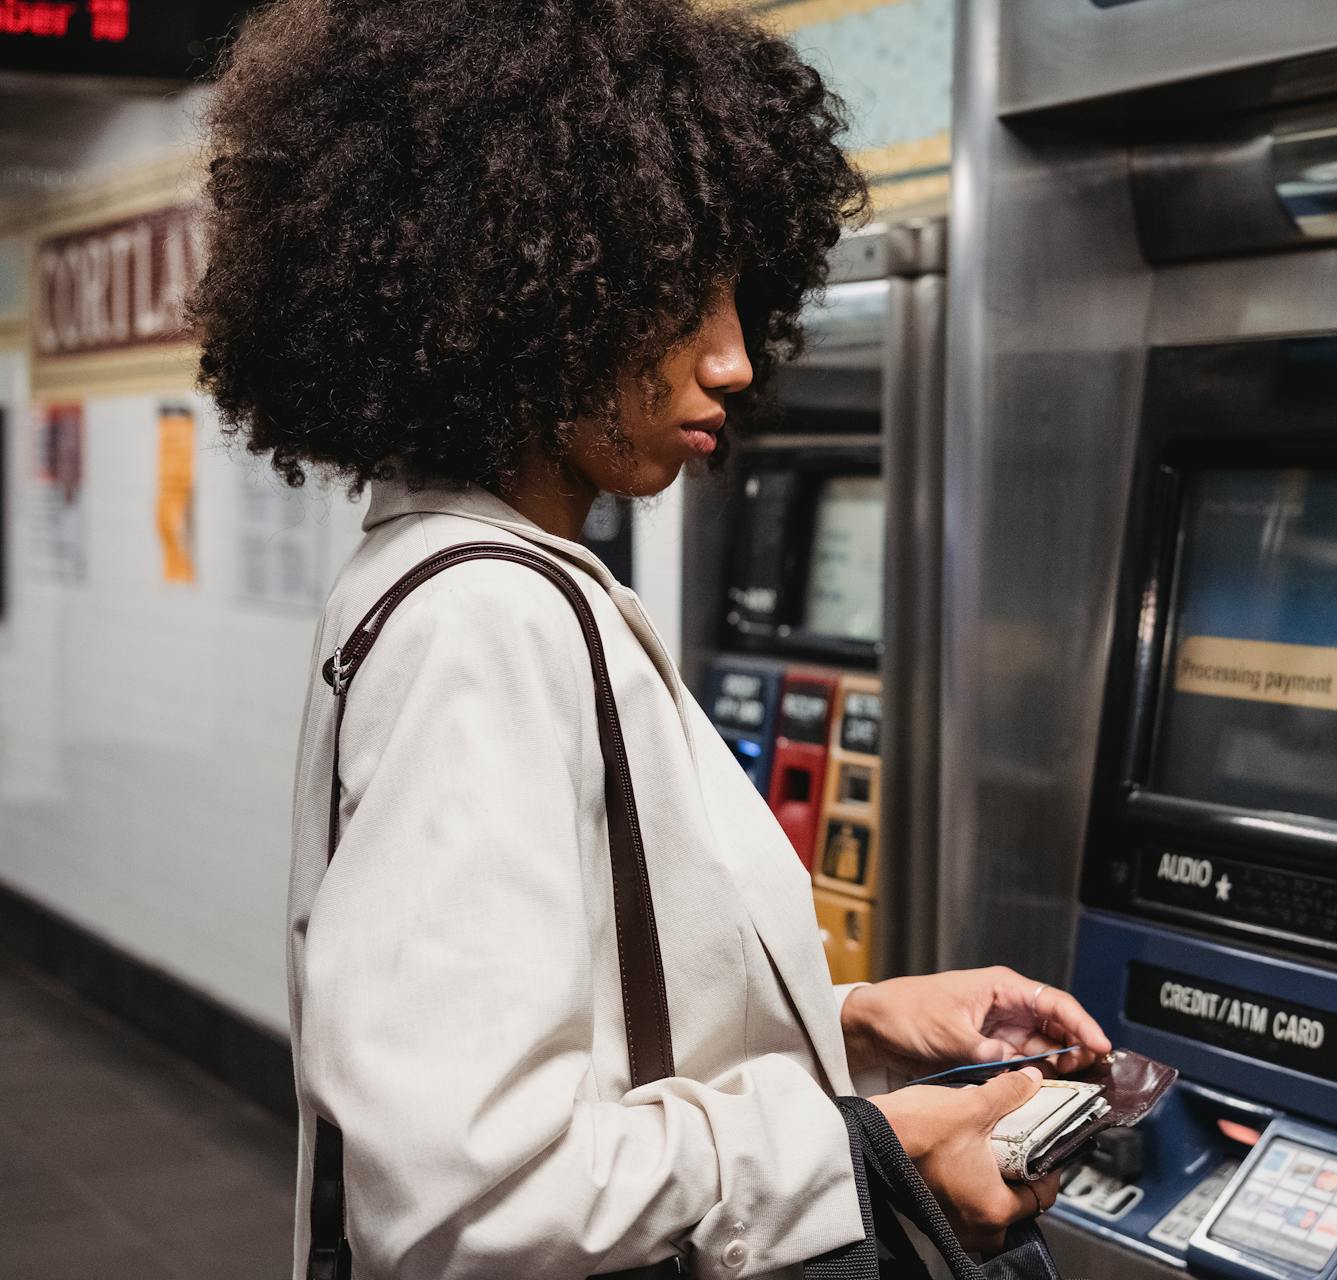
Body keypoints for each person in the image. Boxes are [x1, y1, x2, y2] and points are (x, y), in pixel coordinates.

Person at [190, 2, 1111, 1277]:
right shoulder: (485, 616)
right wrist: (875, 1141)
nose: (734, 357)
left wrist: (853, 1025)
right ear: (518, 295)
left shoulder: (467, 575)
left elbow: (610, 1031)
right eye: (680, 298)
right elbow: (469, 1199)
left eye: (741, 292)